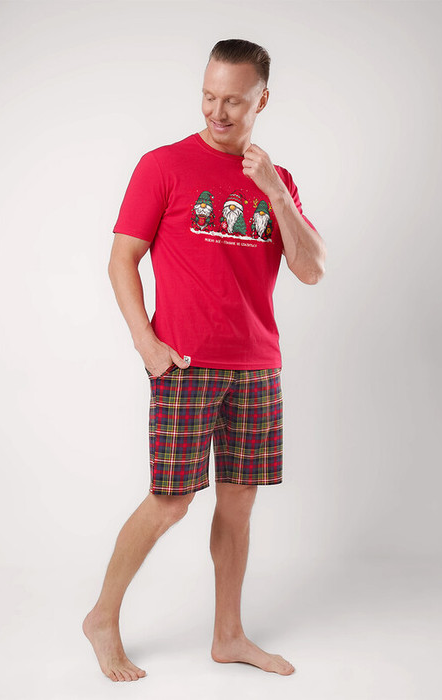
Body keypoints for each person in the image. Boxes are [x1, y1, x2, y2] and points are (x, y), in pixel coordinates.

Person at [83, 38, 326, 682]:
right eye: (209, 96)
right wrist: (148, 345)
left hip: (257, 366)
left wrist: (274, 191)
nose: (218, 112)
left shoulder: (277, 181)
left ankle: (229, 635)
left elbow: (311, 269)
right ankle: (102, 617)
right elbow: (121, 258)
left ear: (261, 101)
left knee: (238, 504)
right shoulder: (163, 165)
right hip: (184, 364)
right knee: (171, 500)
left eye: (233, 101)